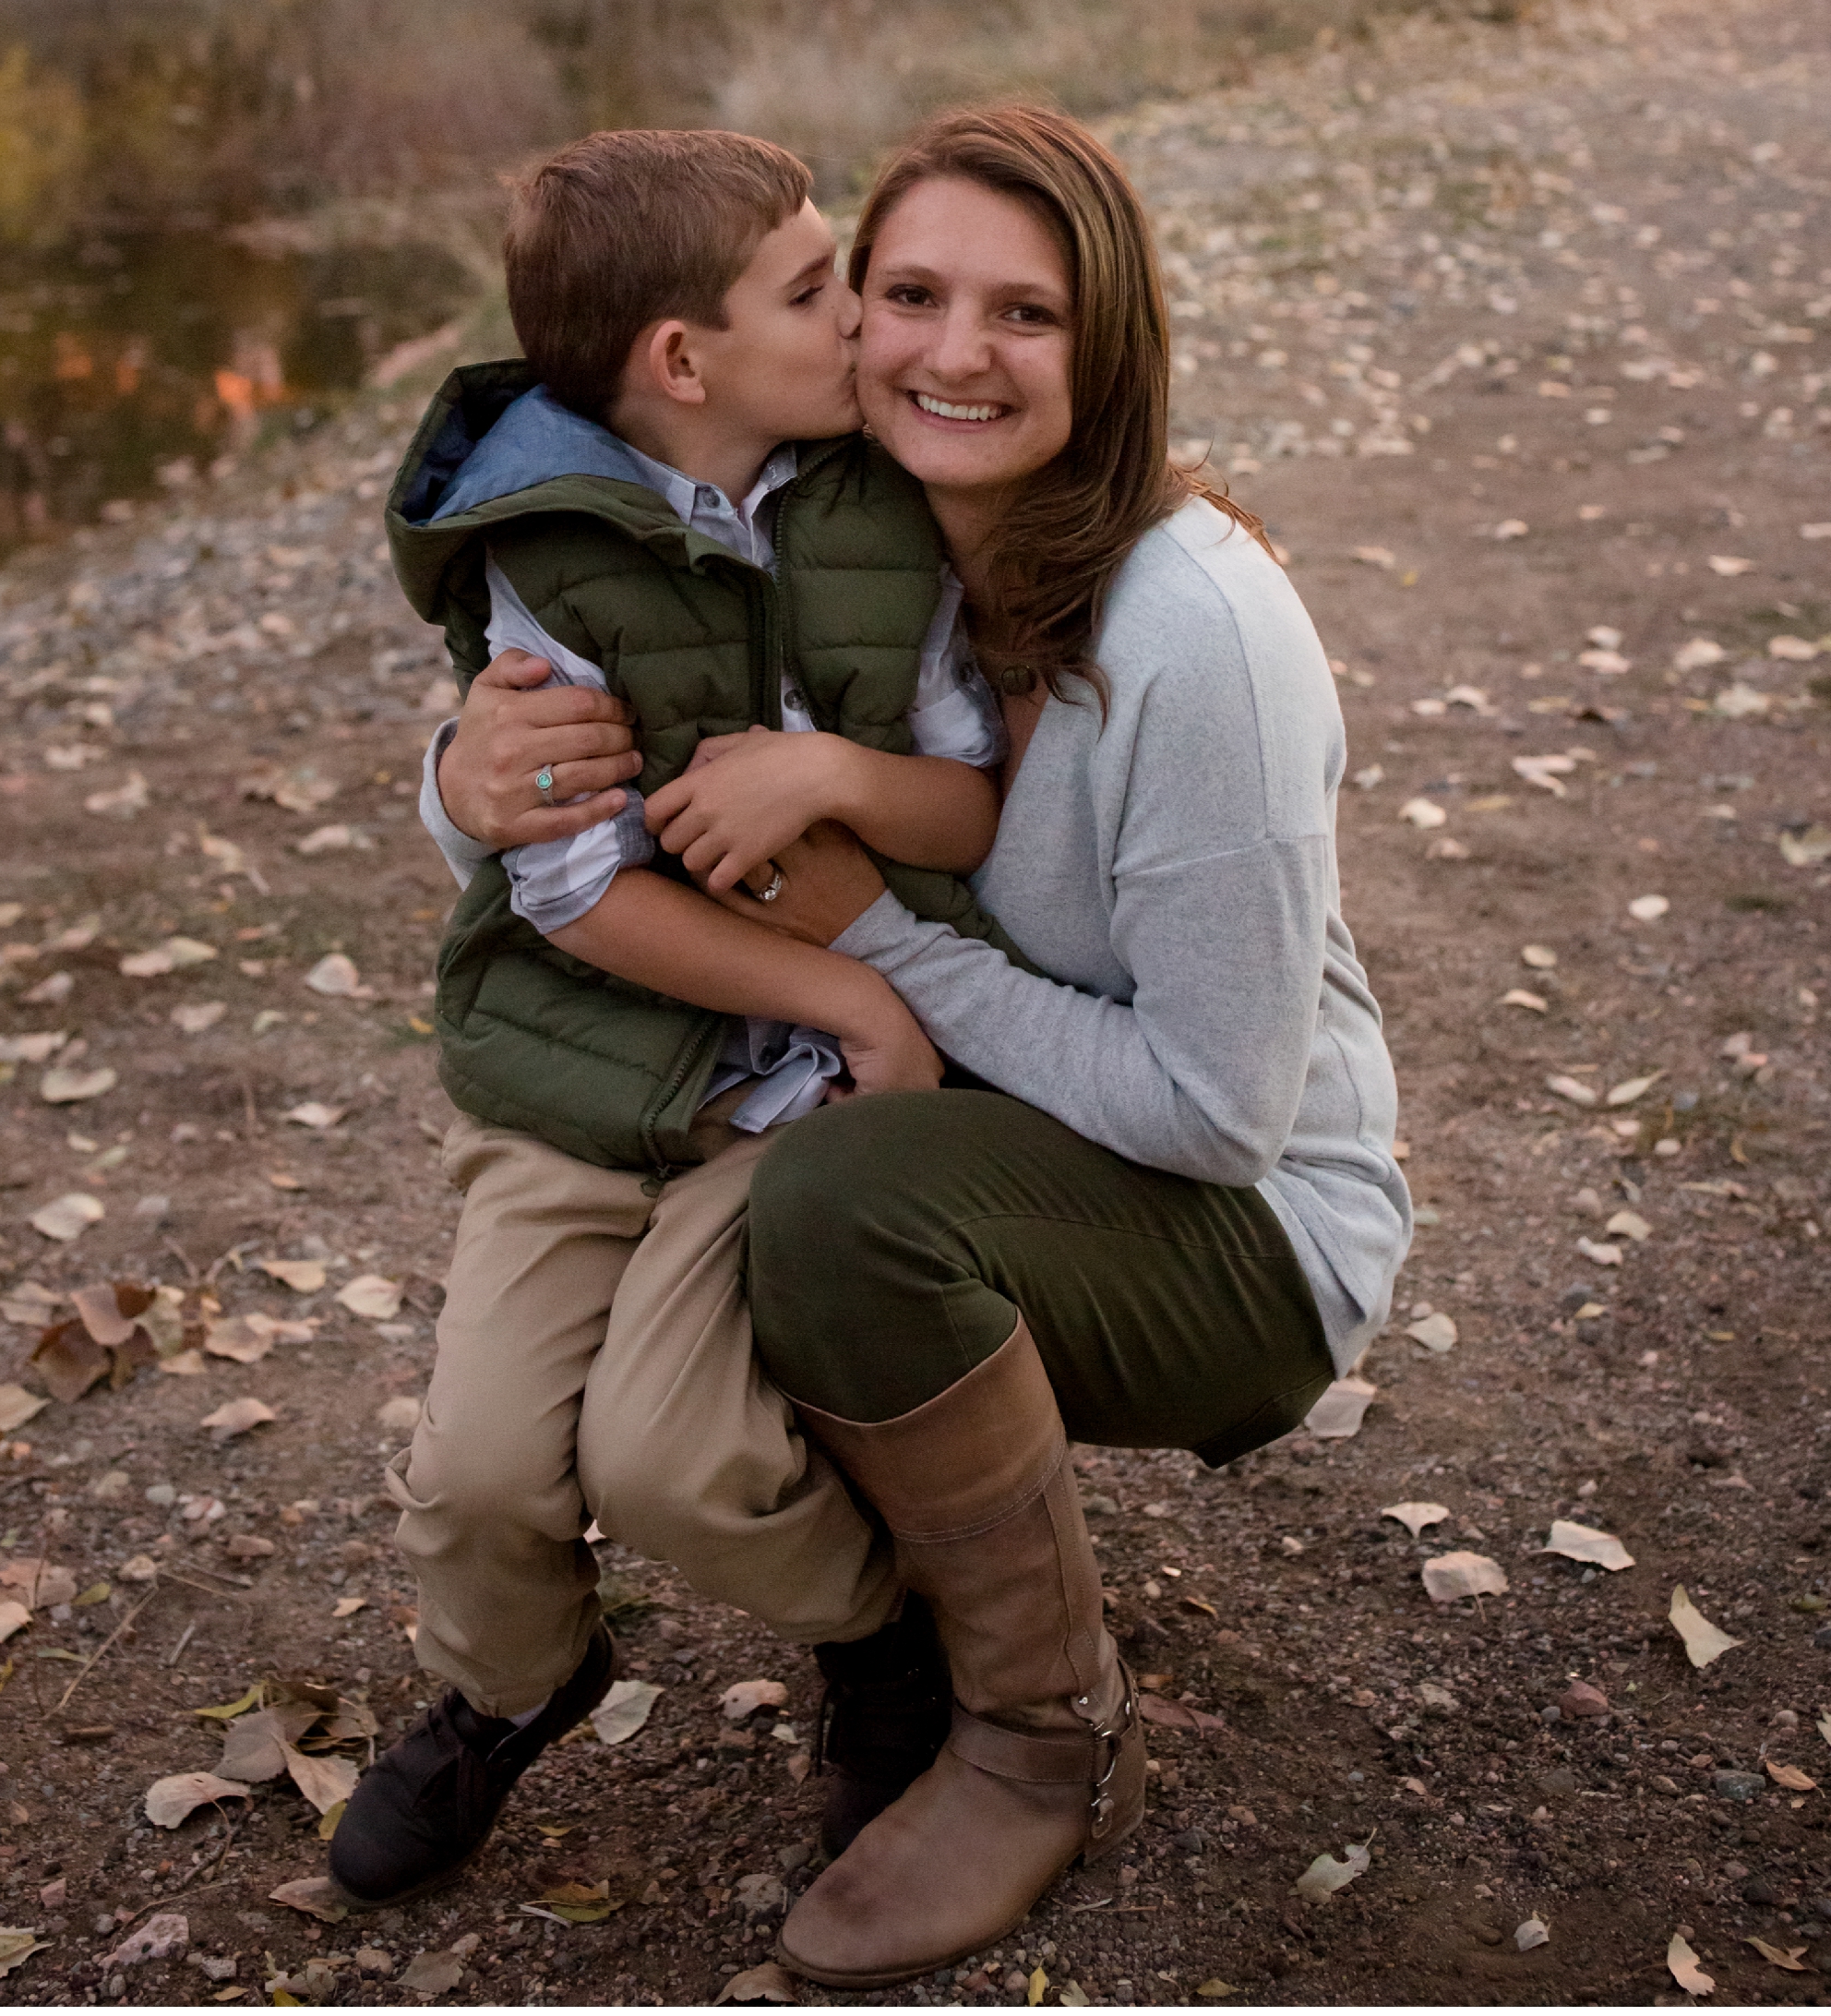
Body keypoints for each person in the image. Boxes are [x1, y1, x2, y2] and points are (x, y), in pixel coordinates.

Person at [656, 103, 1416, 1986]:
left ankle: (1047, 1735)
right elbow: (598, 693)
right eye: (908, 293)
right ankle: (893, 1618)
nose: (952, 354)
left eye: (1025, 315)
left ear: (1115, 348)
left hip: (1249, 1232)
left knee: (839, 1207)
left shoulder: (1197, 635)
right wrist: (464, 780)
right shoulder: (863, 541)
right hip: (1029, 1129)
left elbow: (1224, 1114)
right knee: (692, 1169)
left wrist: (885, 941)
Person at [332, 126, 1009, 1905]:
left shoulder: (881, 502)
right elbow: (565, 881)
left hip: (771, 1101)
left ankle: (880, 1637)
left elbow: (977, 802)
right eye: (818, 287)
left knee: (685, 1459)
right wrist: (846, 989)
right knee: (478, 1472)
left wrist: (832, 775)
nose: (862, 312)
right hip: (577, 1071)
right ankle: (512, 1688)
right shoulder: (540, 546)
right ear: (683, 361)